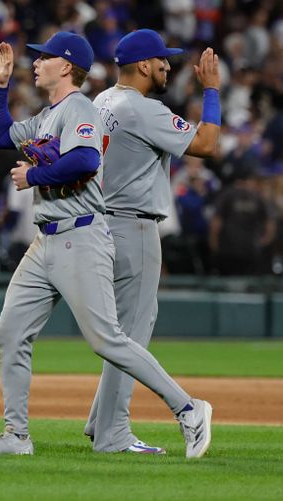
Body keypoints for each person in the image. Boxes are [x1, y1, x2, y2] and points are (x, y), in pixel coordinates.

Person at [0, 32, 212, 458]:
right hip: (50, 237)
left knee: (108, 339)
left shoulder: (86, 105)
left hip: (80, 232)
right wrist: (0, 85)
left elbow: (86, 159)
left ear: (65, 66)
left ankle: (188, 409)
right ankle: (17, 434)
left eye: (44, 58)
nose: (37, 62)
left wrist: (34, 176)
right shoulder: (54, 113)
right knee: (10, 333)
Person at [84, 29, 222, 455]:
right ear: (143, 65)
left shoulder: (102, 100)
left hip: (101, 224)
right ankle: (114, 433)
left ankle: (99, 421)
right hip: (134, 228)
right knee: (131, 334)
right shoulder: (142, 109)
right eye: (162, 60)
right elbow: (207, 143)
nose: (168, 65)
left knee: (118, 332)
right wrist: (212, 91)